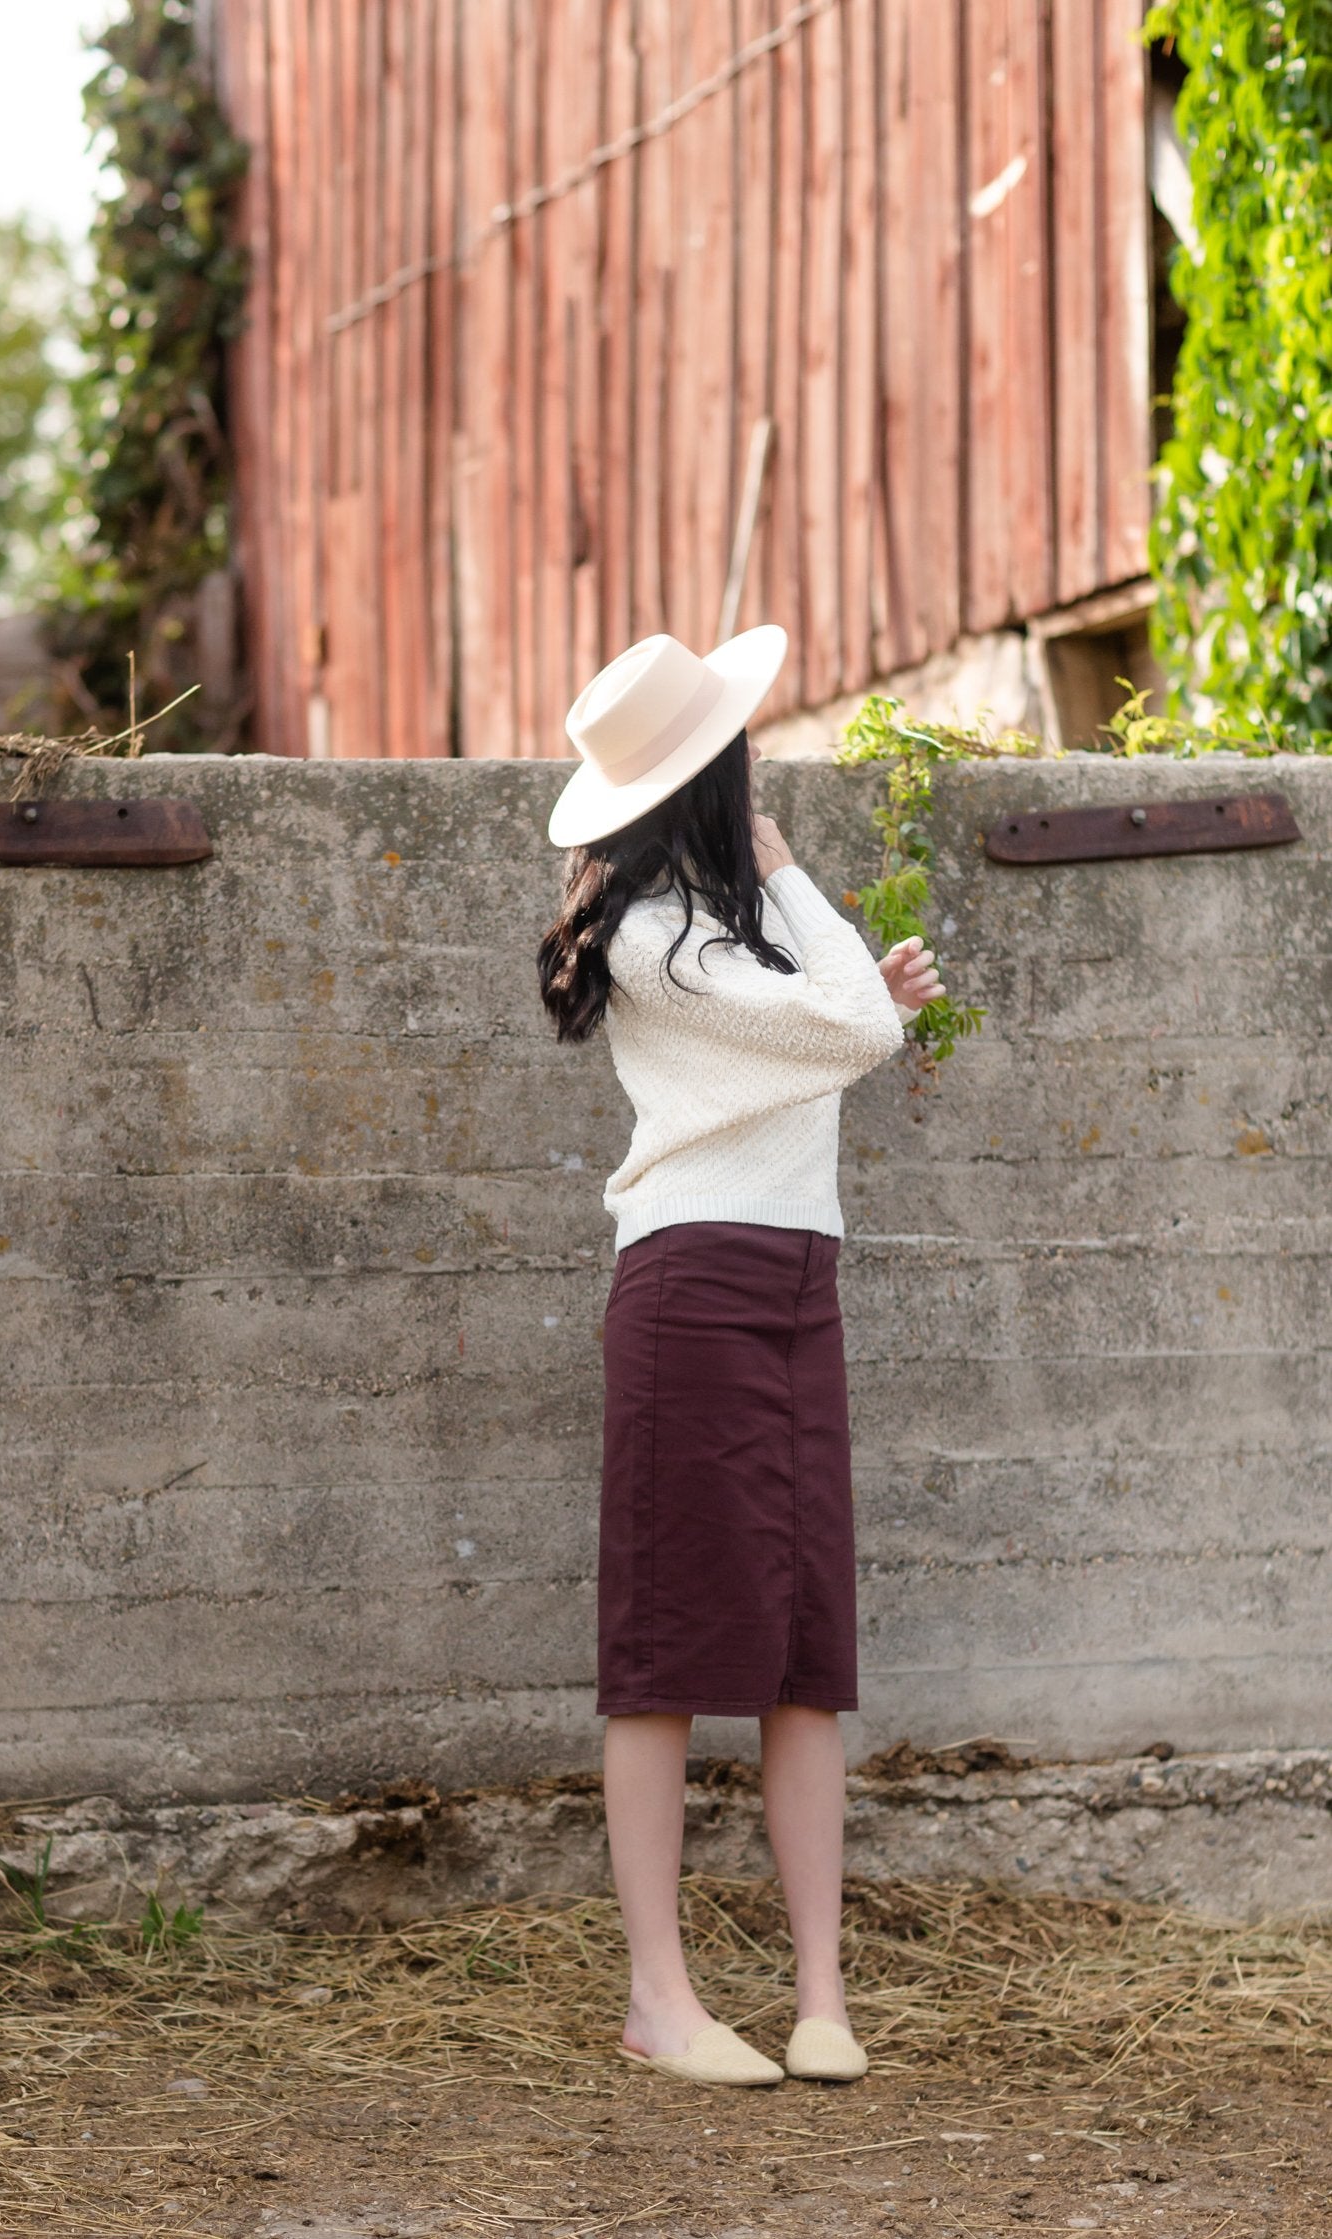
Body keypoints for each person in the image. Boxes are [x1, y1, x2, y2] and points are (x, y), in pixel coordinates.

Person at [536, 624, 942, 2089]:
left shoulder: (736, 929)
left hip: (793, 1278)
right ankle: (659, 1998)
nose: (757, 763)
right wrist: (792, 884)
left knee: (801, 1652)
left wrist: (850, 1005)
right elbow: (844, 1031)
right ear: (712, 776)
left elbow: (840, 1035)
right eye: (740, 750)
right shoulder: (654, 932)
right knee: (662, 1656)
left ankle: (820, 1996)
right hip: (691, 1282)